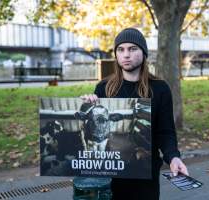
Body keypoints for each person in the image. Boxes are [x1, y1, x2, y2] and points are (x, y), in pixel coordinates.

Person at [80, 27, 188, 200]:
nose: (126, 55)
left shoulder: (160, 89)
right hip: (111, 176)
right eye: (121, 50)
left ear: (143, 53)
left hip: (145, 177)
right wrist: (86, 105)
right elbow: (94, 132)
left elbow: (165, 131)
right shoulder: (103, 88)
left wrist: (173, 157)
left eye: (132, 49)